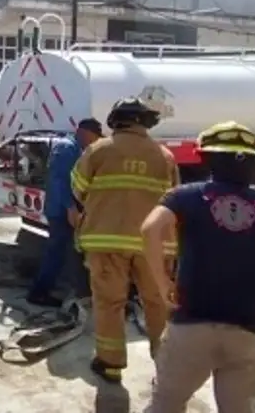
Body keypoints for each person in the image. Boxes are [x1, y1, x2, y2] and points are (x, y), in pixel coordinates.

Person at [141, 121, 255, 413]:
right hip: (245, 330)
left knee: (166, 404)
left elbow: (150, 229)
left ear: (205, 157)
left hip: (190, 327)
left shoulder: (185, 196)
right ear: (252, 162)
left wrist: (163, 286)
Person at [72, 97, 180, 384]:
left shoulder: (98, 150)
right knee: (157, 303)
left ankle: (110, 364)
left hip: (106, 241)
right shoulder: (165, 156)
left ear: (116, 120)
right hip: (154, 245)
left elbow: (79, 187)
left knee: (110, 302)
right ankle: (167, 365)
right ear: (145, 122)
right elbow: (175, 199)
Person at [26, 118, 104, 307]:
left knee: (64, 250)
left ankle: (66, 289)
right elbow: (60, 181)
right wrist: (70, 208)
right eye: (94, 139)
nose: (94, 144)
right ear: (87, 134)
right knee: (56, 251)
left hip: (61, 207)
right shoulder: (67, 149)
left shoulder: (73, 147)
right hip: (60, 210)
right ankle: (39, 292)